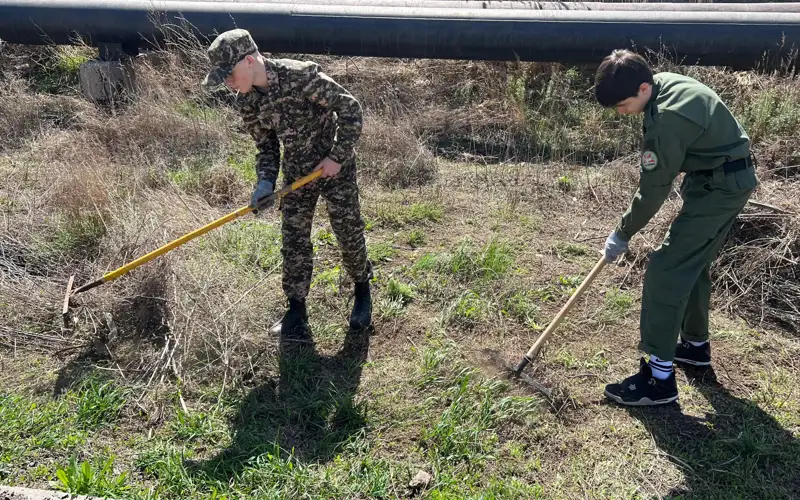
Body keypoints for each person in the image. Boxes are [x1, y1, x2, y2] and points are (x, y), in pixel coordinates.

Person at [594, 49, 757, 406]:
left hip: (720, 188)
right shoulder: (663, 85)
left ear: (641, 88)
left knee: (666, 270)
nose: (620, 113)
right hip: (723, 178)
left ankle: (659, 379)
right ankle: (695, 347)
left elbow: (654, 189)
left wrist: (622, 232)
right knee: (690, 265)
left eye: (621, 104)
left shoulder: (666, 118)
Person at [202, 29, 373, 335]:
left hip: (335, 167)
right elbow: (266, 146)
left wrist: (337, 157)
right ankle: (296, 309)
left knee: (347, 231)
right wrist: (265, 182)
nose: (227, 83)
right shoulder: (247, 102)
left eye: (228, 74)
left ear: (250, 61)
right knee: (293, 239)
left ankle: (362, 293)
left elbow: (350, 108)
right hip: (297, 174)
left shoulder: (300, 77)